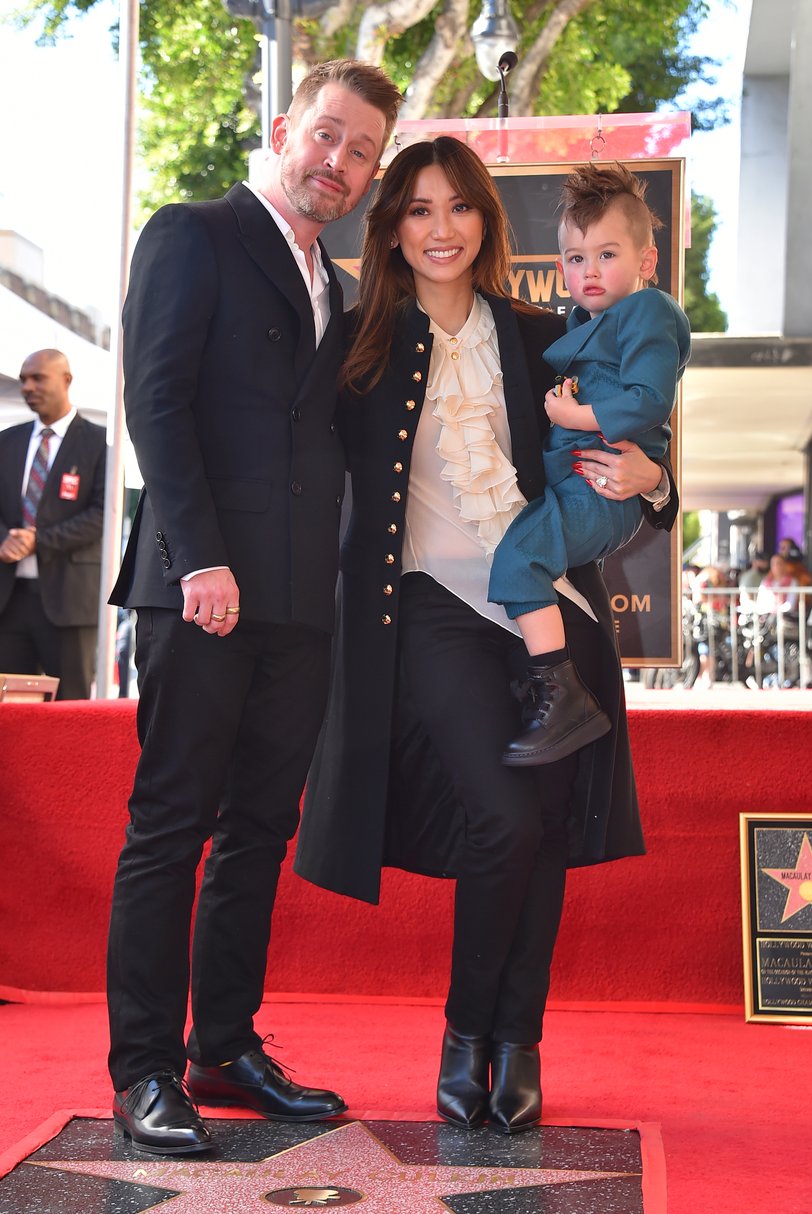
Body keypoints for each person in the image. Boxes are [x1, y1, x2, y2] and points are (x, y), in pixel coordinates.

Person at [294, 137, 677, 1135]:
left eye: (456, 207)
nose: (438, 228)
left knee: (541, 830)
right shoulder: (361, 342)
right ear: (391, 228)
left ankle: (520, 1042)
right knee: (503, 817)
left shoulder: (545, 332)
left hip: (552, 617)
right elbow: (290, 462)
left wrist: (656, 482)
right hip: (427, 611)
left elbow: (634, 438)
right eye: (416, 209)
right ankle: (469, 1034)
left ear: (484, 222)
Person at [106, 59, 403, 1156]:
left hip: (296, 606)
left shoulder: (339, 283)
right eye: (327, 135)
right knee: (170, 823)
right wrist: (199, 560)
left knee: (257, 830)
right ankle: (142, 1070)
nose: (339, 161)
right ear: (286, 128)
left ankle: (220, 1046)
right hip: (201, 588)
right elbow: (156, 399)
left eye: (361, 150)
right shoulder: (194, 232)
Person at [487, 163, 690, 764]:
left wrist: (584, 423)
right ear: (560, 270)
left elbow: (651, 401)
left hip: (599, 487)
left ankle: (560, 690)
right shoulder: (580, 322)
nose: (590, 270)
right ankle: (552, 684)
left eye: (606, 254)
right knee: (520, 555)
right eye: (577, 259)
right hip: (568, 484)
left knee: (520, 559)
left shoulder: (648, 311)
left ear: (646, 261)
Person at [0, 349, 105, 700]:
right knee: (11, 714)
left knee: (71, 710)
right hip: (9, 601)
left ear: (67, 380)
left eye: (37, 378)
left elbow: (102, 514)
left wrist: (38, 540)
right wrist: (5, 540)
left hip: (69, 604)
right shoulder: (6, 441)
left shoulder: (99, 444)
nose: (28, 386)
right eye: (23, 380)